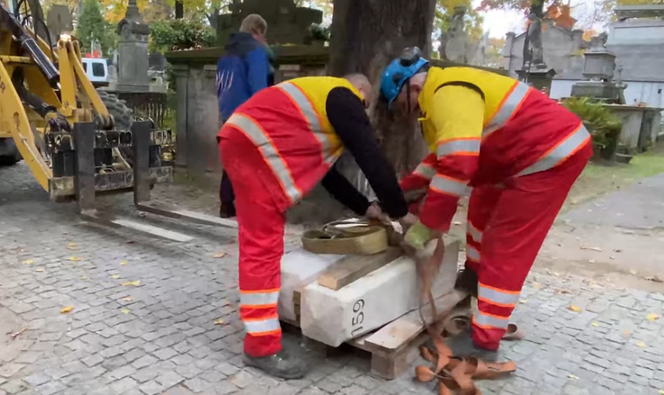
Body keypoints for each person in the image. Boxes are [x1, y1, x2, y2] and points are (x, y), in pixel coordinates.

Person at [380, 47, 592, 353]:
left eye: (401, 104)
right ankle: (473, 281)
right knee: (479, 215)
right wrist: (405, 190)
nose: (404, 113)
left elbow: (457, 165)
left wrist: (428, 226)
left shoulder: (447, 94)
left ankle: (485, 338)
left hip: (548, 156)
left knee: (505, 243)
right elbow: (442, 156)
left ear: (412, 88)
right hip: (513, 159)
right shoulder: (441, 94)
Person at [218, 74, 415, 379]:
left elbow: (329, 177)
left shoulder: (317, 108)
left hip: (244, 142)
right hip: (252, 148)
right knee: (263, 247)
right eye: (365, 107)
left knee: (261, 243)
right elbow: (371, 157)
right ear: (361, 92)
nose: (362, 115)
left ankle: (261, 327)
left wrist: (367, 208)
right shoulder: (345, 96)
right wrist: (400, 212)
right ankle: (261, 346)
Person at [216, 14, 275, 218]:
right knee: (255, 158)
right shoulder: (255, 50)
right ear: (258, 32)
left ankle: (226, 203)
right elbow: (259, 88)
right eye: (263, 35)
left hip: (227, 111)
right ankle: (254, 205)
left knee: (233, 158)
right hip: (248, 112)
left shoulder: (226, 53)